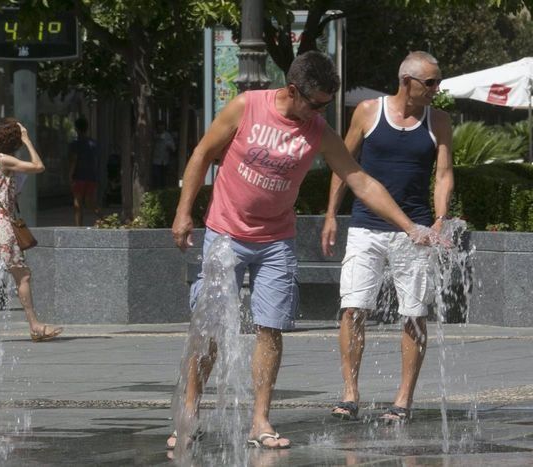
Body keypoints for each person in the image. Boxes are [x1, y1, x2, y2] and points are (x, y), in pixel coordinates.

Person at [168, 51, 436, 451]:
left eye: (326, 105)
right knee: (209, 326)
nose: (319, 113)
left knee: (270, 329)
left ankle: (260, 421)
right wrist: (183, 212)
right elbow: (202, 155)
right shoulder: (246, 106)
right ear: (292, 91)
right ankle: (189, 413)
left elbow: (360, 180)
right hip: (225, 233)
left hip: (277, 239)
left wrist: (410, 226)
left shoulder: (319, 130)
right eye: (315, 104)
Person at [322, 51, 454, 424]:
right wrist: (331, 214)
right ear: (406, 82)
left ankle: (403, 399)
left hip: (417, 233)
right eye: (430, 83)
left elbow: (444, 174)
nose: (435, 89)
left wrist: (440, 220)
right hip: (366, 227)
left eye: (437, 82)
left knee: (414, 314)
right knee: (353, 308)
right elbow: (342, 165)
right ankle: (350, 393)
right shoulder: (367, 112)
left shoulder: (439, 120)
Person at [0, 118, 63, 342]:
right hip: (1, 224)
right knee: (22, 275)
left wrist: (3, 192)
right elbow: (38, 166)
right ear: (13, 140)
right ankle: (35, 326)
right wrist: (28, 140)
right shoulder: (5, 160)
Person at [68, 116, 100, 226]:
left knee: (78, 203)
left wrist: (70, 175)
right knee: (90, 202)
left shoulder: (75, 144)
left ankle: (78, 226)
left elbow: (74, 160)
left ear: (76, 128)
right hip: (91, 175)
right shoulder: (93, 143)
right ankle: (103, 218)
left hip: (79, 176)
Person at [152, 121, 176, 189]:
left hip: (164, 161)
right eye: (159, 126)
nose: (160, 128)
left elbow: (173, 148)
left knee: (163, 179)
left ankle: (163, 191)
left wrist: (169, 145)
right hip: (156, 161)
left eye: (162, 126)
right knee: (156, 178)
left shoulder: (167, 135)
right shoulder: (154, 135)